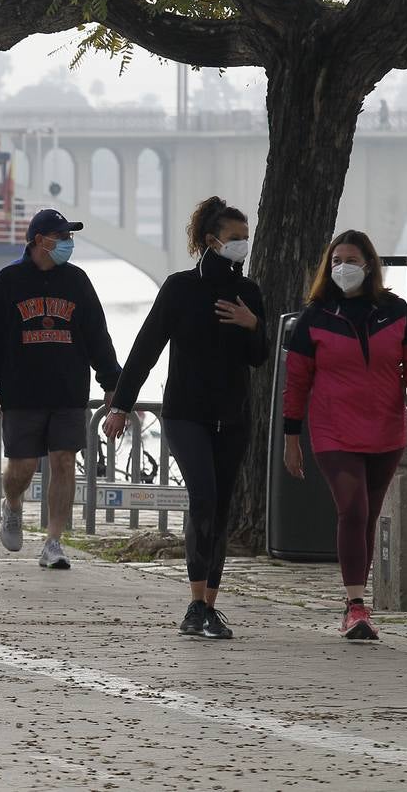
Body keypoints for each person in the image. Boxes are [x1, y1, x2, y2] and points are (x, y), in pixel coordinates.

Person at [103, 196, 268, 640]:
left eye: (246, 238)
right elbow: (145, 349)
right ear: (212, 241)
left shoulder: (248, 293)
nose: (243, 246)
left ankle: (210, 606)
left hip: (233, 416)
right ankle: (195, 604)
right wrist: (121, 405)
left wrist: (253, 324)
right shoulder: (179, 288)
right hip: (186, 414)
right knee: (203, 499)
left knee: (222, 507)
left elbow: (260, 358)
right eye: (236, 239)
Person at [282, 229, 407, 642]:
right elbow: (295, 383)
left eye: (350, 260)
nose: (342, 268)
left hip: (386, 429)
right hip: (333, 430)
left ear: (369, 266)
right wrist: (291, 437)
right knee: (353, 508)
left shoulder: (395, 312)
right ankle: (354, 605)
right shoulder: (315, 317)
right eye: (335, 262)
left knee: (367, 515)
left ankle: (358, 600)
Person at [0, 208, 122, 569]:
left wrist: (113, 383)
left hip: (68, 391)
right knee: (21, 468)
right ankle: (13, 505)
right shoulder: (8, 280)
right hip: (22, 392)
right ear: (40, 240)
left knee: (64, 462)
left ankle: (54, 541)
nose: (68, 243)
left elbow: (97, 335)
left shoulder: (78, 281)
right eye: (62, 236)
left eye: (70, 237)